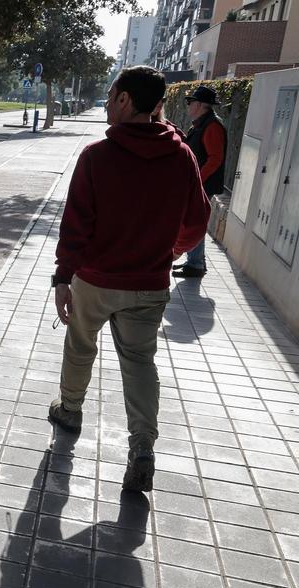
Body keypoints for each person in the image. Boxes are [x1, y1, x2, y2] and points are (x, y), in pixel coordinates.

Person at [48, 66, 209, 492]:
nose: (105, 101)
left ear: (124, 101)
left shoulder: (97, 156)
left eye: (110, 93)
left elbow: (76, 226)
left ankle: (69, 410)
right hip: (149, 284)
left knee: (81, 344)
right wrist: (170, 253)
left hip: (96, 280)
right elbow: (197, 222)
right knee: (139, 363)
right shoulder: (182, 156)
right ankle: (142, 447)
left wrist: (63, 276)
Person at [173, 85, 227, 278]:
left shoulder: (212, 125)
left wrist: (197, 180)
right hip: (200, 183)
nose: (188, 105)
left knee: (194, 221)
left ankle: (195, 264)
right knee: (194, 221)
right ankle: (195, 262)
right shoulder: (202, 123)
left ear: (202, 105)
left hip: (203, 184)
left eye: (191, 102)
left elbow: (215, 158)